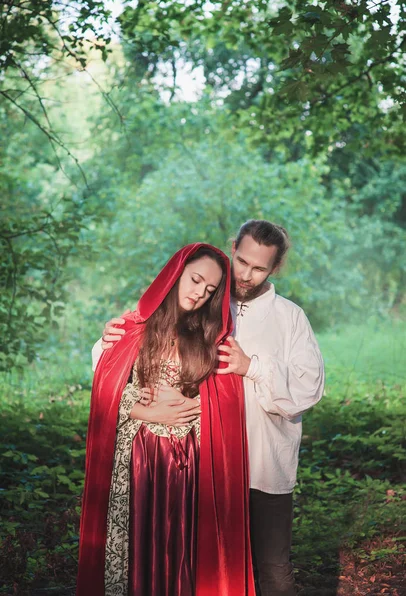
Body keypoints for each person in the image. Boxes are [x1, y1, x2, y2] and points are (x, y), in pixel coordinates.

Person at [94, 221, 325, 596]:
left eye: (259, 268)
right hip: (203, 467)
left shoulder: (289, 318)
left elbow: (309, 388)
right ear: (232, 248)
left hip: (262, 466)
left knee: (273, 572)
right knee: (207, 569)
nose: (247, 275)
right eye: (242, 261)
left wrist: (253, 366)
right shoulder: (204, 302)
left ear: (275, 269)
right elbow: (129, 354)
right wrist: (111, 338)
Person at [77, 243, 255, 596]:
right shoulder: (132, 329)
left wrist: (199, 407)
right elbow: (106, 391)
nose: (199, 293)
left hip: (188, 466)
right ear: (175, 274)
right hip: (139, 460)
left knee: (181, 551)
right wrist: (146, 410)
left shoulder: (211, 340)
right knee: (139, 544)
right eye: (194, 280)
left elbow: (226, 404)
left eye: (209, 290)